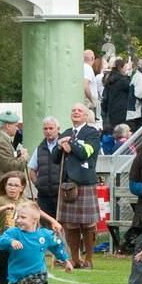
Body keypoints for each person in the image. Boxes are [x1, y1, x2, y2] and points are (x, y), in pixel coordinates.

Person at [53, 102, 103, 269]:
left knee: (88, 224)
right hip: (68, 184)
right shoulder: (66, 133)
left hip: (84, 182)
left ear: (86, 115)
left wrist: (71, 144)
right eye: (73, 110)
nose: (76, 112)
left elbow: (85, 153)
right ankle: (75, 259)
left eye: (79, 110)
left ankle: (88, 259)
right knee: (71, 225)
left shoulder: (92, 133)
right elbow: (54, 158)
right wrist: (61, 145)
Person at [27, 116, 62, 219]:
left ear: (58, 129)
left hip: (60, 195)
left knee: (62, 225)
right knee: (45, 225)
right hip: (44, 196)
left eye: (51, 128)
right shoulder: (39, 148)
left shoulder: (64, 145)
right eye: (45, 129)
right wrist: (39, 185)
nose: (48, 131)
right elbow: (32, 171)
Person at [100, 57, 135, 135]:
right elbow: (133, 90)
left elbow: (105, 97)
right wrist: (128, 76)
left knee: (113, 133)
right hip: (122, 112)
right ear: (122, 68)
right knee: (123, 134)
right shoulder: (123, 81)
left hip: (111, 112)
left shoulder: (109, 79)